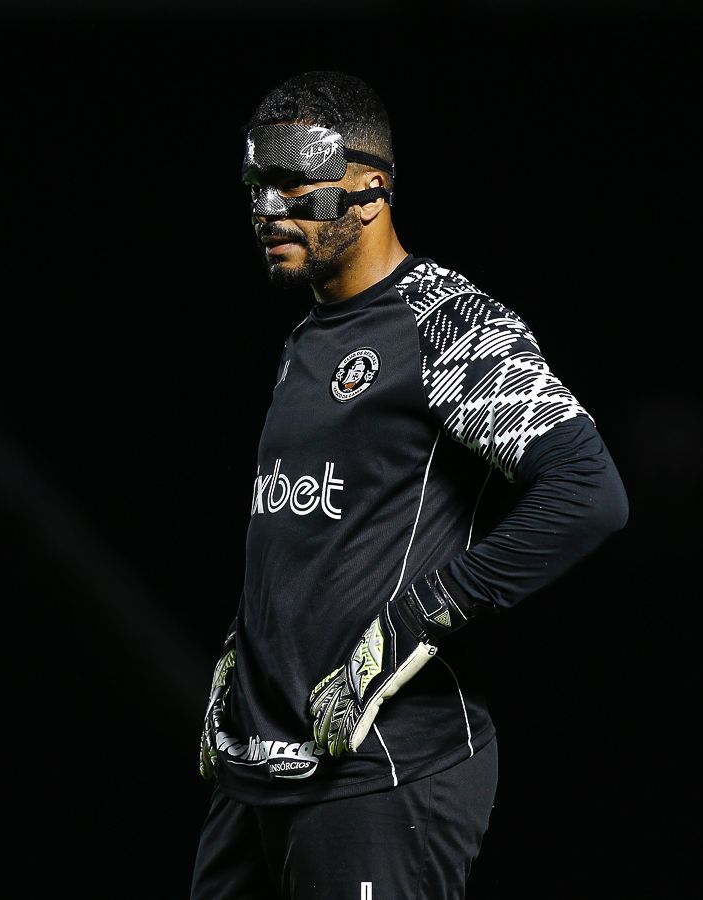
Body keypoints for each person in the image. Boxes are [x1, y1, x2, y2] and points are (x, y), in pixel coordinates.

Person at [191, 70, 629, 900]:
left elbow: (587, 489)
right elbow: (318, 530)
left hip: (382, 777)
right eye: (255, 185)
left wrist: (414, 620)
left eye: (292, 183)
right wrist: (240, 654)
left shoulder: (445, 322)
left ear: (370, 191)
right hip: (259, 769)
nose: (267, 209)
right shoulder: (307, 338)